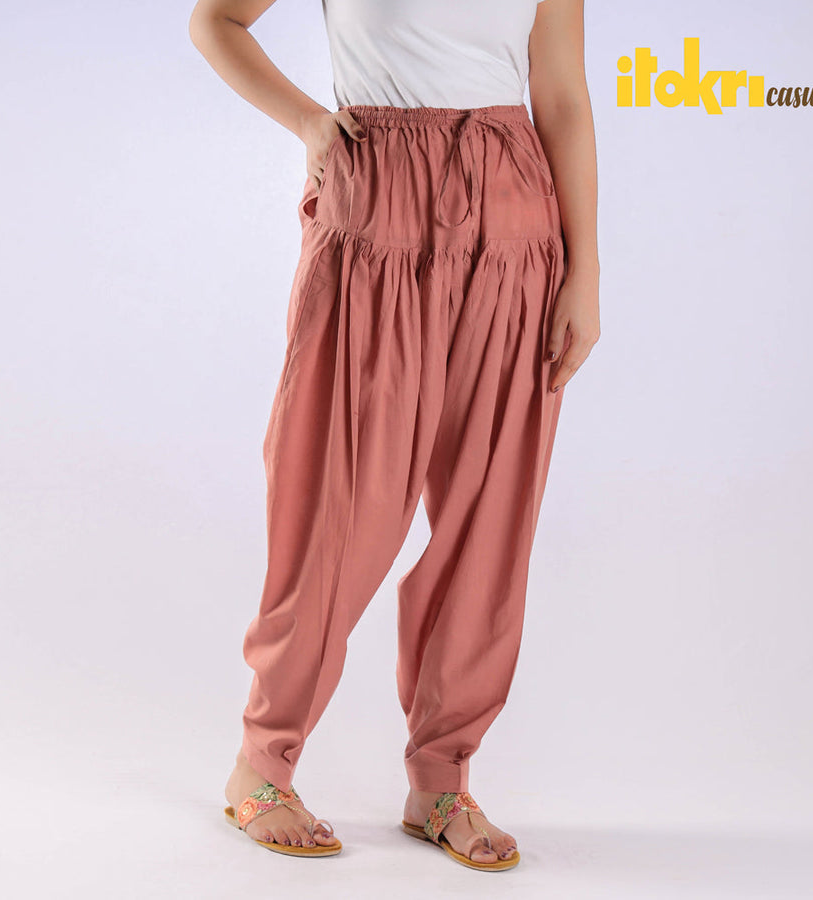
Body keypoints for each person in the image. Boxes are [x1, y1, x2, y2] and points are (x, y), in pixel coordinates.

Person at [188, 0, 600, 870]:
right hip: (376, 209)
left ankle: (442, 780)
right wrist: (310, 122)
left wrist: (585, 269)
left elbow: (561, 96)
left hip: (516, 220)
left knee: (491, 515)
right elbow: (216, 19)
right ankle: (263, 760)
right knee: (337, 502)